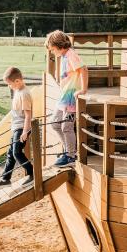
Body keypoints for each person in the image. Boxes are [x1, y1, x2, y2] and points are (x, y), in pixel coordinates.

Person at [45, 30, 87, 167]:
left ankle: (70, 156)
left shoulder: (71, 55)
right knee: (55, 123)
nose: (52, 52)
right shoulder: (63, 56)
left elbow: (84, 69)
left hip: (71, 98)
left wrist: (83, 89)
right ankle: (68, 151)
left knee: (66, 127)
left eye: (52, 49)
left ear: (59, 45)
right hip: (63, 97)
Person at [0, 67, 34, 186]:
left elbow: (28, 115)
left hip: (22, 128)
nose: (9, 86)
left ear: (17, 81)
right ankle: (6, 178)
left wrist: (25, 132)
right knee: (10, 153)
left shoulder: (24, 94)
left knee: (17, 152)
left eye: (10, 84)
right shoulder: (18, 91)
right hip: (17, 127)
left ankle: (33, 173)